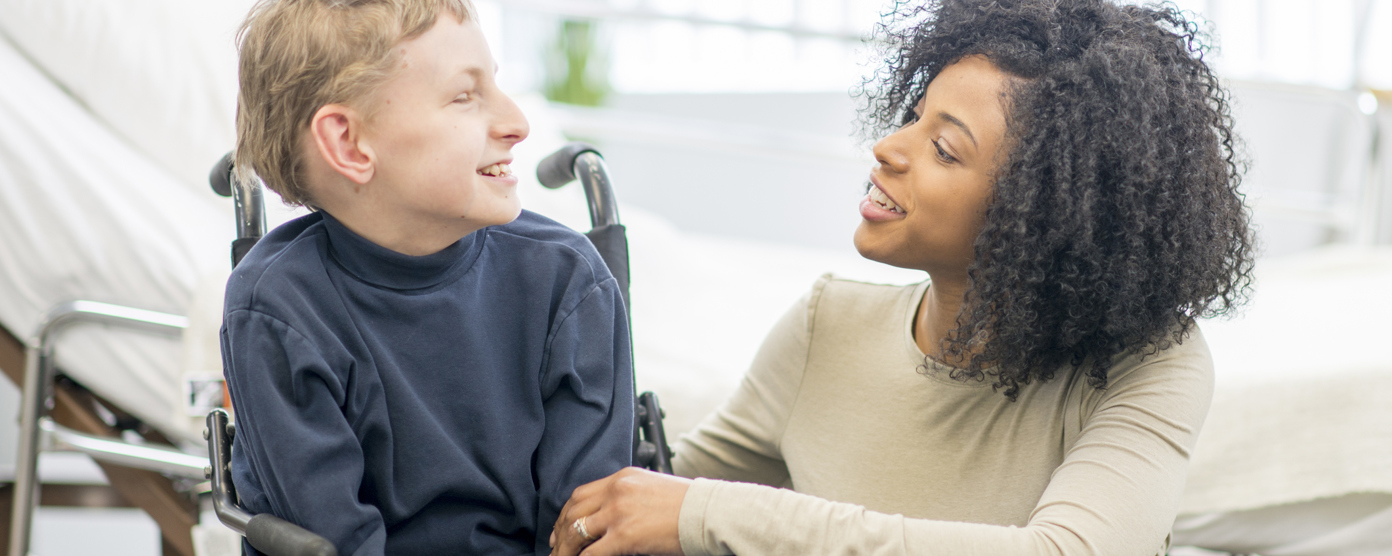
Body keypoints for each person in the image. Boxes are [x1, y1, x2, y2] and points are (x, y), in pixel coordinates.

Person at [547, 0, 1254, 555]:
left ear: (1045, 212)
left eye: (944, 148)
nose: (887, 148)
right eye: (914, 118)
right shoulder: (825, 326)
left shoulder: (1150, 367)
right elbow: (661, 495)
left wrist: (711, 514)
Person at [220, 1, 634, 554]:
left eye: (497, 84)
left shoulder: (568, 282)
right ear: (348, 143)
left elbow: (582, 532)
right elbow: (334, 542)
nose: (517, 123)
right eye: (466, 96)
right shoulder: (276, 310)